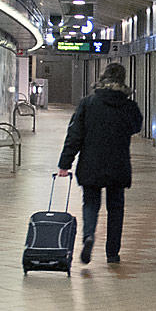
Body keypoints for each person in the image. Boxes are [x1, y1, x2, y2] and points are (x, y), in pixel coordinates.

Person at [57, 63, 143, 265]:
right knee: (116, 208)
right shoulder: (129, 105)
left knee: (91, 203)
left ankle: (88, 235)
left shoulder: (88, 103)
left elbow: (75, 135)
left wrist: (65, 164)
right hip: (118, 164)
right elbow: (136, 126)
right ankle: (112, 253)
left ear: (103, 77)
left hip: (91, 163)